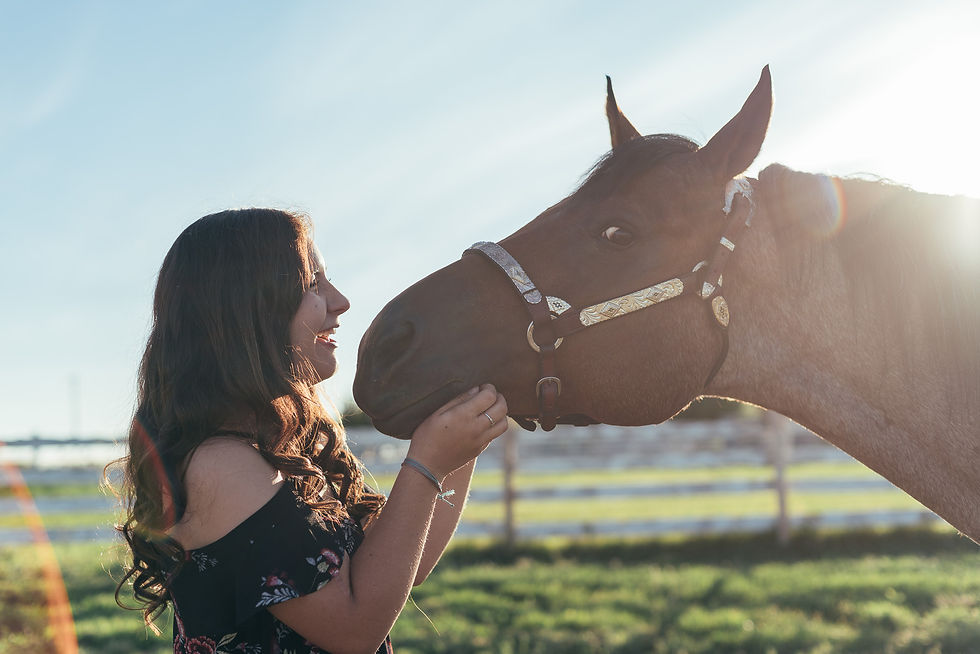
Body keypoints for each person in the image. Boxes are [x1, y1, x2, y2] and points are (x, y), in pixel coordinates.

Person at [113, 208, 509, 654]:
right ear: (250, 309)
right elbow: (354, 631)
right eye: (312, 284)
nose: (340, 301)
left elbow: (393, 571)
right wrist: (426, 465)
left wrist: (460, 446)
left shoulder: (270, 447)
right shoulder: (221, 466)